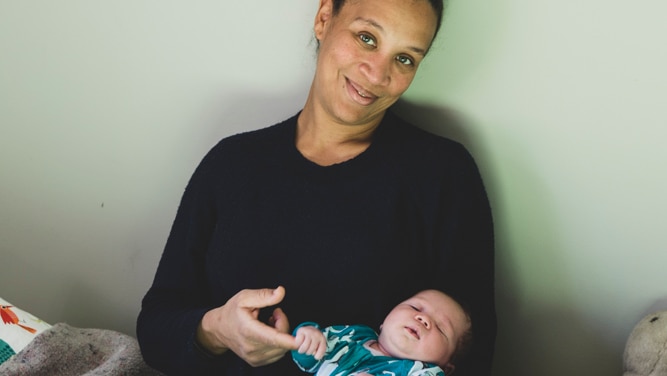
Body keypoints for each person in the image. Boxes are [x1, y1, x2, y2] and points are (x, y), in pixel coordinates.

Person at [136, 0, 496, 375]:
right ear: (324, 19)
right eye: (367, 38)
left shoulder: (443, 176)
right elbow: (156, 328)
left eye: (405, 58)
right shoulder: (230, 165)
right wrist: (216, 331)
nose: (376, 74)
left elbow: (475, 357)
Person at [292, 289, 472, 376]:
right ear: (383, 323)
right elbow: (308, 360)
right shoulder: (352, 336)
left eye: (440, 328)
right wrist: (308, 336)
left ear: (446, 368)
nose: (423, 319)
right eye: (415, 307)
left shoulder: (423, 371)